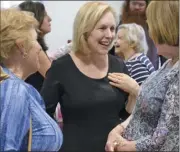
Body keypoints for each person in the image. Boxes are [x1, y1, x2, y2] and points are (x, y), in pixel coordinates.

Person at [41, 2, 136, 152]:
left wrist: (135, 94)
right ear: (84, 30)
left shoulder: (119, 66)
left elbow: (124, 116)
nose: (110, 35)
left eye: (112, 28)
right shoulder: (61, 68)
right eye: (102, 28)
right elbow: (43, 115)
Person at [105, 1, 179, 151]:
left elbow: (164, 137)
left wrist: (121, 146)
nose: (150, 32)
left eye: (152, 25)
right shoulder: (169, 63)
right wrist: (118, 129)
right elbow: (142, 110)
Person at [0, 9, 62, 151]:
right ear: (22, 46)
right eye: (35, 40)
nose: (39, 48)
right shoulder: (14, 90)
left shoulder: (19, 88)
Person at [111, 0, 165, 70]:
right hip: (121, 68)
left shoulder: (153, 24)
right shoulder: (118, 22)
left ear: (147, 6)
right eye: (134, 3)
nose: (137, 7)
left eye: (141, 5)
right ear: (128, 4)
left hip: (149, 70)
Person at [18, 1, 52, 92]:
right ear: (36, 19)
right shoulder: (33, 46)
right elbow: (54, 77)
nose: (50, 19)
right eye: (45, 15)